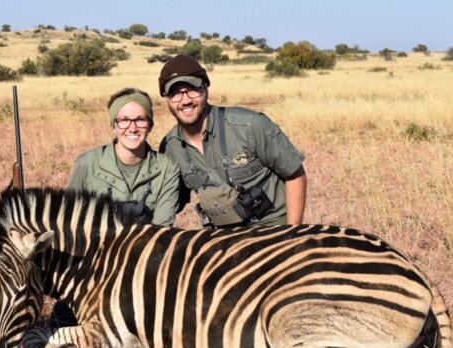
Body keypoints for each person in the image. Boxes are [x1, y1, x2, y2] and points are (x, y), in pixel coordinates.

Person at [158, 54, 307, 228]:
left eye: (192, 89)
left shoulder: (250, 125)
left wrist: (292, 233)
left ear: (205, 89)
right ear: (166, 99)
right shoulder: (170, 147)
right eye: (175, 93)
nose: (185, 100)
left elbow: (295, 174)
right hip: (221, 235)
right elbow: (172, 201)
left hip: (271, 229)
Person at [67, 87, 180, 226]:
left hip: (148, 246)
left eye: (141, 120)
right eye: (124, 120)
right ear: (113, 126)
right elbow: (68, 218)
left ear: (150, 125)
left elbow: (162, 227)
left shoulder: (167, 169)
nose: (132, 128)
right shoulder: (87, 163)